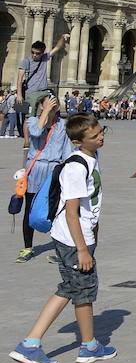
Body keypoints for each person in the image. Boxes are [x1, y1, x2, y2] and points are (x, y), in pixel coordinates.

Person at [8, 114, 116, 363]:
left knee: (77, 288)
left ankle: (88, 345)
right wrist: (82, 249)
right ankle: (32, 344)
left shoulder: (91, 157)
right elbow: (71, 212)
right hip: (73, 239)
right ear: (78, 141)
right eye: (94, 136)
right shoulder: (76, 167)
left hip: (78, 235)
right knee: (77, 288)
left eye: (102, 131)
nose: (101, 137)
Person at [16, 96, 73, 262]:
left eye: (54, 103)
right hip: (35, 169)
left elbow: (66, 150)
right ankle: (27, 248)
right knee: (30, 209)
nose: (52, 106)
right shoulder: (32, 121)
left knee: (56, 210)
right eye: (47, 103)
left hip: (53, 169)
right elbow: (35, 133)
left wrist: (67, 170)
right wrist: (46, 111)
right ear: (41, 105)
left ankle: (60, 248)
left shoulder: (62, 125)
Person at [16, 35, 68, 121]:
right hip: (32, 92)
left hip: (44, 91)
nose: (34, 55)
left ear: (42, 53)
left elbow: (58, 47)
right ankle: (27, 135)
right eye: (32, 52)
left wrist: (62, 37)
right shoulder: (26, 61)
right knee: (29, 118)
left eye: (37, 53)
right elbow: (19, 79)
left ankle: (43, 132)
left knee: (49, 112)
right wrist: (19, 95)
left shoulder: (44, 58)